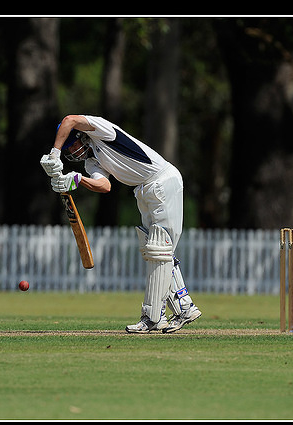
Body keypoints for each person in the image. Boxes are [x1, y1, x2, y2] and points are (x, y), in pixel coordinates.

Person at [40, 115, 201, 333]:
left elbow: (69, 119)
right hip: (144, 190)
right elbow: (104, 185)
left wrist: (55, 153)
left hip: (163, 182)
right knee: (156, 250)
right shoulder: (92, 160)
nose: (71, 152)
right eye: (68, 151)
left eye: (72, 145)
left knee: (159, 250)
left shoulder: (102, 131)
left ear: (81, 136)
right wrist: (77, 180)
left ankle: (153, 317)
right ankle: (184, 306)